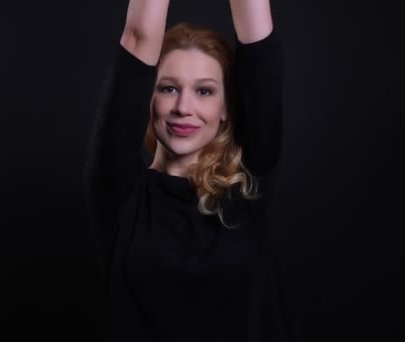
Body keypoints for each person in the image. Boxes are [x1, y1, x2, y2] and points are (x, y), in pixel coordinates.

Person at [83, 0, 288, 340]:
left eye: (204, 91)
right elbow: (137, 38)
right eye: (169, 88)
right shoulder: (119, 194)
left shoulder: (248, 185)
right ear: (148, 98)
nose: (183, 108)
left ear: (226, 107)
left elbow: (260, 46)